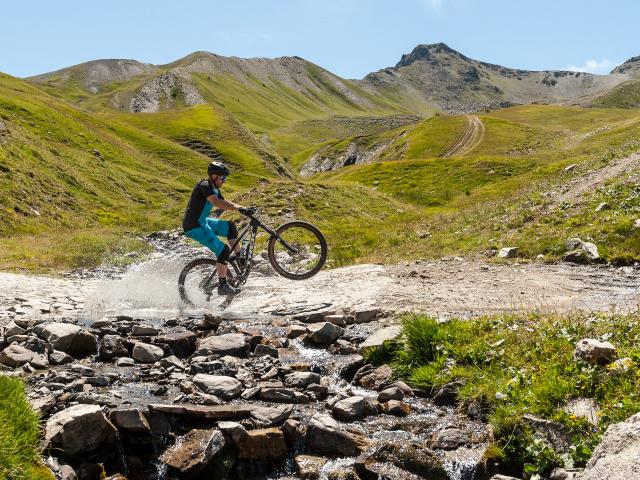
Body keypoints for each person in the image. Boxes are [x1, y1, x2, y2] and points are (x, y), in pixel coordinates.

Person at [182, 162, 255, 295]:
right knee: (223, 250)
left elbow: (225, 203)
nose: (224, 181)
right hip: (195, 225)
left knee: (230, 227)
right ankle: (222, 285)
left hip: (203, 221)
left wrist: (244, 208)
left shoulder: (215, 189)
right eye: (223, 178)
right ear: (214, 176)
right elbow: (216, 202)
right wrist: (239, 208)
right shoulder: (205, 185)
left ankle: (240, 259)